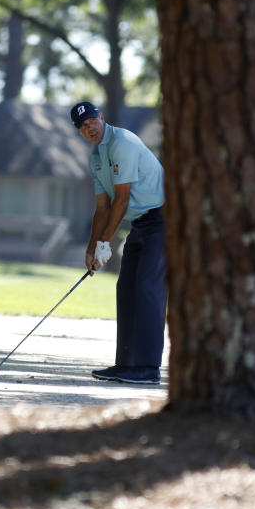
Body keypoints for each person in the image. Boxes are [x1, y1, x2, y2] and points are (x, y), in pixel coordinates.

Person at [70, 101, 166, 385]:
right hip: (141, 224)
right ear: (79, 132)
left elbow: (122, 199)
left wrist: (105, 243)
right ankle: (126, 364)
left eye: (92, 121)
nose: (90, 128)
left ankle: (148, 368)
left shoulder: (122, 142)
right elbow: (103, 207)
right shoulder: (96, 157)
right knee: (126, 288)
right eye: (83, 126)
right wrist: (92, 248)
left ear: (101, 117)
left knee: (148, 288)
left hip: (163, 220)